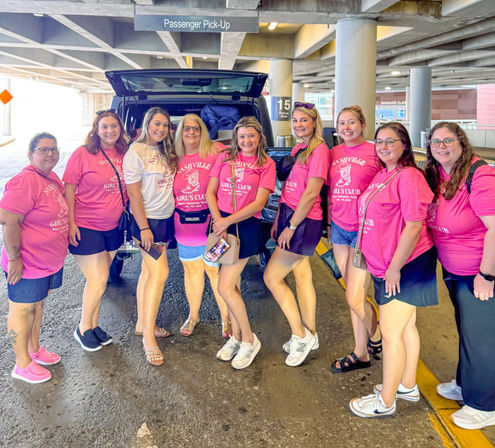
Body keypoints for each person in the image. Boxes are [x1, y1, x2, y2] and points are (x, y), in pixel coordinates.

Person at [349, 122, 437, 418]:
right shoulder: (385, 174)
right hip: (387, 264)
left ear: (405, 145)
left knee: (390, 333)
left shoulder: (410, 176)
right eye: (379, 141)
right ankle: (407, 385)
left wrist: (395, 268)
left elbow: (413, 227)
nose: (384, 146)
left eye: (391, 141)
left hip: (404, 265)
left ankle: (385, 401)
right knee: (406, 327)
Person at [425, 122, 495, 430]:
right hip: (453, 269)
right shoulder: (441, 175)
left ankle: (484, 404)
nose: (442, 146)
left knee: (481, 339)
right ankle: (467, 385)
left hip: (478, 272)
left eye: (448, 140)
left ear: (461, 143)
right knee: (466, 331)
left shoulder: (480, 175)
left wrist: (487, 275)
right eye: (436, 142)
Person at [263, 102, 330, 367]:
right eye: (295, 120)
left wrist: (291, 227)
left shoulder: (320, 150)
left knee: (272, 277)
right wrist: (280, 218)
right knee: (303, 277)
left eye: (304, 120)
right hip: (289, 215)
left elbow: (312, 193)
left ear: (315, 122)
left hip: (303, 221)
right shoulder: (297, 149)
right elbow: (289, 187)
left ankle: (298, 334)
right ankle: (310, 333)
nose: (299, 124)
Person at [206, 116, 276, 369]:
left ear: (259, 138)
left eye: (251, 136)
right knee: (230, 284)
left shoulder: (266, 164)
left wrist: (227, 222)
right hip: (220, 226)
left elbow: (259, 203)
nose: (246, 141)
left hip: (244, 226)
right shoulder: (224, 158)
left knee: (225, 287)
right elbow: (210, 192)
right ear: (236, 137)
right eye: (242, 136)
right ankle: (236, 337)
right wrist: (218, 220)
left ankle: (249, 339)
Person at [1, 133, 68, 383]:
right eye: (43, 150)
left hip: (47, 262)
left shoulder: (50, 177)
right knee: (22, 310)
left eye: (53, 149)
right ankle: (21, 364)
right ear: (31, 155)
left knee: (38, 305)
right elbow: (8, 219)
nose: (50, 154)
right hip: (27, 262)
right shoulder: (25, 181)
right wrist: (14, 259)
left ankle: (33, 350)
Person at [63, 111, 127, 352]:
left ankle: (93, 324)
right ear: (96, 130)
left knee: (97, 280)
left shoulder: (123, 153)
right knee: (99, 278)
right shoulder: (83, 153)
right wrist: (70, 223)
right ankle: (82, 329)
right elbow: (69, 189)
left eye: (114, 126)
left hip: (113, 227)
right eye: (104, 127)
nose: (110, 130)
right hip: (85, 226)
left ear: (120, 128)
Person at [327, 105, 382, 373]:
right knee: (353, 292)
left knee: (355, 296)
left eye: (351, 122)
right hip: (339, 228)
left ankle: (375, 337)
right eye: (341, 123)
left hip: (364, 231)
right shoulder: (333, 153)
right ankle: (362, 351)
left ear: (362, 125)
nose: (346, 127)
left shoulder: (375, 151)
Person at [123, 107, 176, 366]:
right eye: (156, 124)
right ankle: (148, 340)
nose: (160, 129)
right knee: (160, 273)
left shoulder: (165, 150)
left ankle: (143, 325)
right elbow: (134, 195)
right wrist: (143, 228)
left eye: (165, 125)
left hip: (164, 220)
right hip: (147, 224)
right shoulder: (136, 151)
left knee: (147, 272)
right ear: (147, 124)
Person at [173, 114, 230, 338]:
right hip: (184, 227)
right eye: (186, 128)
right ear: (180, 131)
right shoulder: (173, 156)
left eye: (196, 128)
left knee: (216, 271)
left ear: (202, 130)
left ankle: (226, 317)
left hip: (213, 227)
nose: (191, 132)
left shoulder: (216, 150)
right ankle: (193, 315)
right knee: (191, 270)